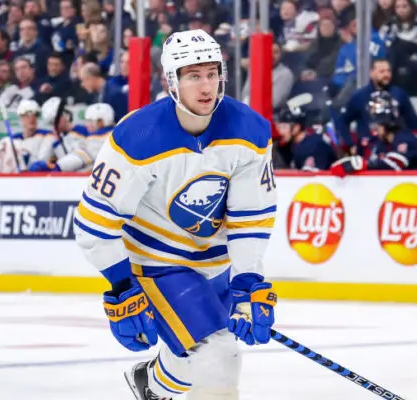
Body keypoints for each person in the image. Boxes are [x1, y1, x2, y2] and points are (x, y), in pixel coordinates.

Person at [72, 29, 278, 400]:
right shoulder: (138, 136)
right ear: (172, 81)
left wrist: (248, 280)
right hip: (156, 262)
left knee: (188, 358)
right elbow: (94, 223)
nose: (207, 86)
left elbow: (251, 217)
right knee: (219, 353)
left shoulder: (249, 130)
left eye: (213, 73)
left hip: (218, 264)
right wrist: (122, 286)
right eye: (194, 75)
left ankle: (149, 385)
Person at [330, 90, 417, 176]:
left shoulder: (407, 139)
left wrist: (363, 164)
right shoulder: (379, 144)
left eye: (378, 123)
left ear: (388, 122)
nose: (374, 128)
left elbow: (394, 165)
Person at [27, 96, 91, 172]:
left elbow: (80, 158)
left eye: (54, 122)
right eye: (51, 124)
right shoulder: (52, 138)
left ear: (64, 115)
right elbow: (42, 160)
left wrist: (58, 144)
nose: (54, 127)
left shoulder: (83, 131)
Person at [0, 99, 52, 172]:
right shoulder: (13, 139)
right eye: (28, 115)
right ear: (20, 117)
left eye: (35, 115)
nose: (32, 118)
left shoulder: (46, 135)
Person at [274, 103, 337, 171]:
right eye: (278, 127)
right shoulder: (289, 146)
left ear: (296, 128)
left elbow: (314, 178)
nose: (280, 131)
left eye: (284, 127)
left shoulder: (315, 146)